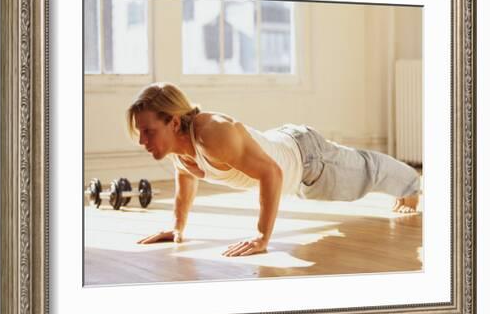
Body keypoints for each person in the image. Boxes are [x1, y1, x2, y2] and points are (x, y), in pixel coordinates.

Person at [126, 82, 420, 257]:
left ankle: (412, 185)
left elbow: (271, 174)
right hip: (290, 157)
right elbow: (186, 179)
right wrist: (178, 227)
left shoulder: (211, 133)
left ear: (174, 122)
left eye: (148, 132)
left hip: (308, 162)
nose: (142, 140)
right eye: (140, 132)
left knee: (366, 175)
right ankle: (407, 183)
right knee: (358, 175)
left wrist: (261, 238)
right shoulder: (177, 147)